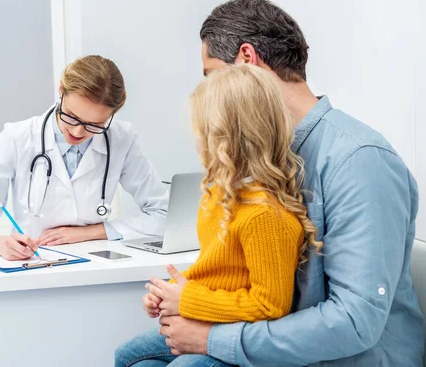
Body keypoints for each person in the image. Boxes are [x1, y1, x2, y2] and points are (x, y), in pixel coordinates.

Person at [158, 0, 425, 366]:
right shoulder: (266, 161)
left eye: (210, 75)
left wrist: (215, 340)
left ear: (247, 60)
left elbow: (354, 321)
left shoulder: (359, 160)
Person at [115, 64, 319, 367]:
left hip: (241, 333)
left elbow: (271, 306)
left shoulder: (264, 215)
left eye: (201, 130)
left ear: (225, 137)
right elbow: (219, 273)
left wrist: (187, 299)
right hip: (207, 315)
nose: (197, 140)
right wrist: (172, 294)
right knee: (129, 357)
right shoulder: (217, 197)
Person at [0, 55, 168, 260]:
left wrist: (93, 231)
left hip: (98, 263)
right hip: (35, 261)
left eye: (95, 125)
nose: (77, 132)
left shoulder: (122, 138)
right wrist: (0, 244)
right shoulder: (18, 137)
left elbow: (164, 214)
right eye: (72, 117)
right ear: (60, 90)